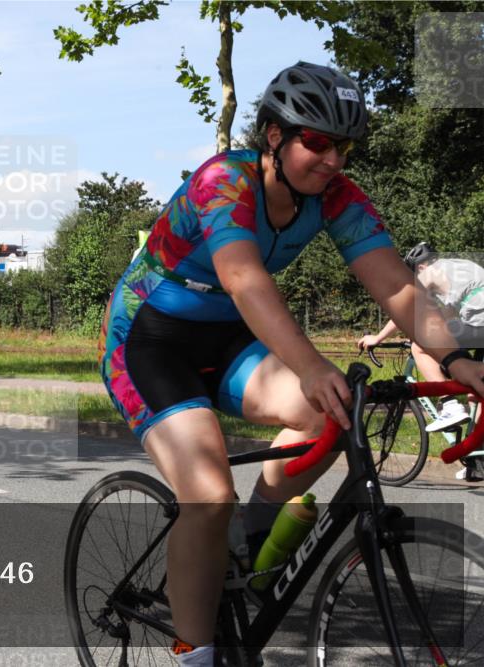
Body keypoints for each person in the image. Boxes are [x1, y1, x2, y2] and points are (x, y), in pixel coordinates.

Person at [98, 61, 484, 665]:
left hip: (226, 336)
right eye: (319, 142)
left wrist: (458, 358)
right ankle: (192, 653)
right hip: (148, 339)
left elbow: (398, 287)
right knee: (207, 494)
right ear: (274, 135)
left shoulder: (336, 198)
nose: (333, 160)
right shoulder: (223, 181)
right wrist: (308, 363)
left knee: (327, 413)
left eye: (344, 147)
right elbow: (243, 277)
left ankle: (251, 544)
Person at [358, 243, 484, 433]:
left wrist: (378, 337)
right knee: (477, 393)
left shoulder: (429, 273)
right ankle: (476, 460)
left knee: (420, 345)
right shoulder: (459, 265)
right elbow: (446, 317)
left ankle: (449, 404)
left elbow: (408, 307)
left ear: (421, 267)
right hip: (478, 327)